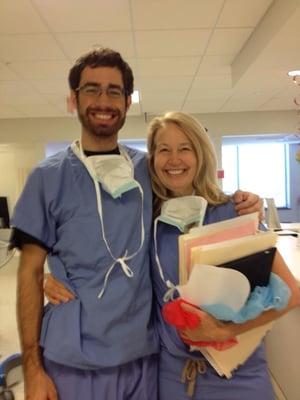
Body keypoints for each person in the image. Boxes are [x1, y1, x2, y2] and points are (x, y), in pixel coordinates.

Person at [11, 48, 263, 400]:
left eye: (114, 91)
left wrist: (246, 201)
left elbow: (195, 193)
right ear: (73, 99)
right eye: (91, 89)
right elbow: (28, 273)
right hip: (74, 360)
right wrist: (33, 370)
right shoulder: (46, 178)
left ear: (128, 102)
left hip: (142, 360)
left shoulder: (149, 170)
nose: (103, 100)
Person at [146, 112, 300, 399]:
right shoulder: (148, 222)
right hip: (174, 378)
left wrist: (223, 331)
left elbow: (292, 292)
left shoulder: (235, 212)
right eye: (163, 150)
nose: (174, 159)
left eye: (185, 148)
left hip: (238, 378)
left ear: (201, 154)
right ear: (152, 159)